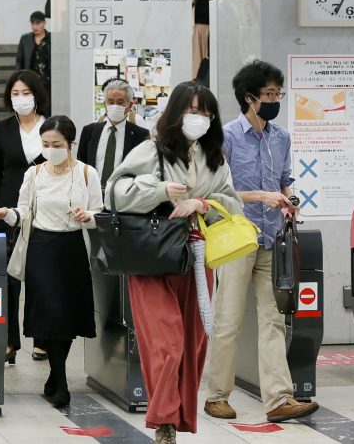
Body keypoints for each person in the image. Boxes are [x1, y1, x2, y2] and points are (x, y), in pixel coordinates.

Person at [107, 81, 242, 444]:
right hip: (152, 259)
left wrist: (201, 204)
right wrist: (160, 191)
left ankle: (177, 417)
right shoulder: (152, 150)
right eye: (192, 110)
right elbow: (115, 192)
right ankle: (164, 421)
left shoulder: (215, 157)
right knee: (167, 342)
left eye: (206, 112)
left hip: (196, 261)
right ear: (176, 112)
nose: (199, 118)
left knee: (193, 344)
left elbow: (232, 204)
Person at [205, 60, 320, 423]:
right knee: (228, 319)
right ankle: (216, 395)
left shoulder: (281, 137)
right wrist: (261, 197)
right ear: (249, 98)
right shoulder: (226, 138)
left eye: (278, 94)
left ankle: (279, 398)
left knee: (273, 319)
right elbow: (216, 192)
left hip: (272, 238)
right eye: (269, 94)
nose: (275, 100)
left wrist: (288, 200)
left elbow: (284, 180)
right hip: (235, 239)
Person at [0, 116, 103, 407]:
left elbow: (99, 212)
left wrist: (87, 217)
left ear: (71, 144)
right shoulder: (34, 174)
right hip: (41, 248)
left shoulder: (87, 173)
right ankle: (61, 382)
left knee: (67, 316)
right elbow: (23, 213)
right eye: (46, 144)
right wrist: (4, 214)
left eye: (57, 144)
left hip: (73, 248)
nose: (51, 149)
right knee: (49, 313)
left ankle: (55, 375)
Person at [0, 69, 50, 363]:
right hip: (7, 210)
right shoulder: (3, 129)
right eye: (15, 93)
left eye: (25, 93)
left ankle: (41, 337)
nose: (20, 99)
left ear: (37, 95)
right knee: (9, 278)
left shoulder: (52, 128)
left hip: (44, 212)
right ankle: (9, 341)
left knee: (42, 276)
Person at [77, 79, 149, 191]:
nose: (115, 106)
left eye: (120, 102)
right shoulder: (89, 131)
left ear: (130, 105)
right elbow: (81, 166)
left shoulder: (140, 135)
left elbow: (143, 170)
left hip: (124, 198)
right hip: (93, 195)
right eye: (110, 102)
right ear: (104, 104)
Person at [15, 10, 51, 95]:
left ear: (44, 23)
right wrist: (19, 78)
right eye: (33, 23)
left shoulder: (51, 38)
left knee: (47, 106)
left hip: (48, 81)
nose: (35, 26)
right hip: (30, 81)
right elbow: (19, 60)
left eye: (38, 23)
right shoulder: (25, 39)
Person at [192, 0, 211, 79]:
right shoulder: (194, 1)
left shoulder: (213, 0)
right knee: (197, 58)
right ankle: (196, 78)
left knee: (208, 57)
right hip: (197, 32)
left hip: (210, 31)